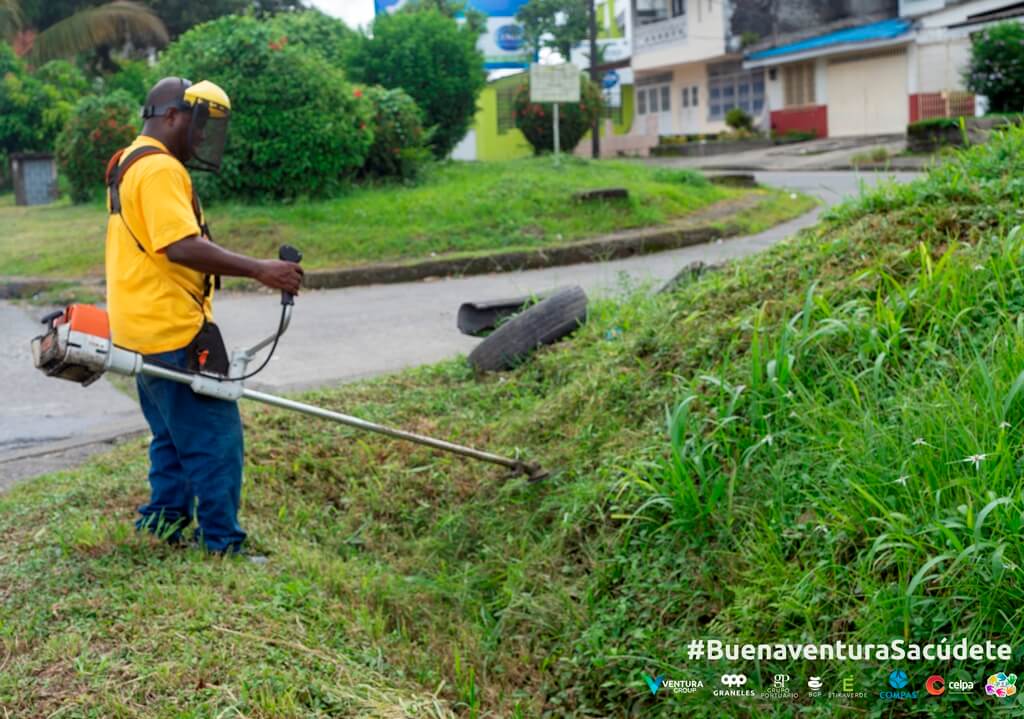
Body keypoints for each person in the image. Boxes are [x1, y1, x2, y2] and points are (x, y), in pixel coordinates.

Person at [104, 77, 302, 557]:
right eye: (198, 125)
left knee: (171, 435)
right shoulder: (159, 171)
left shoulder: (128, 160)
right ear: (172, 116)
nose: (200, 137)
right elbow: (180, 246)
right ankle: (223, 544)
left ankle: (165, 521)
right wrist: (261, 269)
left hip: (138, 328)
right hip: (172, 329)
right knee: (216, 438)